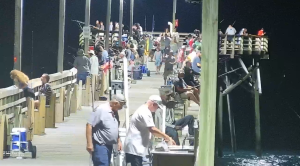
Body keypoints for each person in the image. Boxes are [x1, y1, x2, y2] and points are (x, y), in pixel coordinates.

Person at [124, 95, 176, 166]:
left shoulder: (145, 110)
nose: (157, 109)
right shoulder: (144, 112)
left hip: (139, 147)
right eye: (157, 107)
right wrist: (167, 137)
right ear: (153, 104)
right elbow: (152, 129)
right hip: (135, 147)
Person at [86, 94, 126, 166]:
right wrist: (89, 144)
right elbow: (89, 125)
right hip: (100, 145)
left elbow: (115, 128)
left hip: (109, 145)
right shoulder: (100, 109)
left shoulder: (115, 111)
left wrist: (118, 141)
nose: (121, 108)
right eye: (121, 105)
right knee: (102, 164)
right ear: (115, 103)